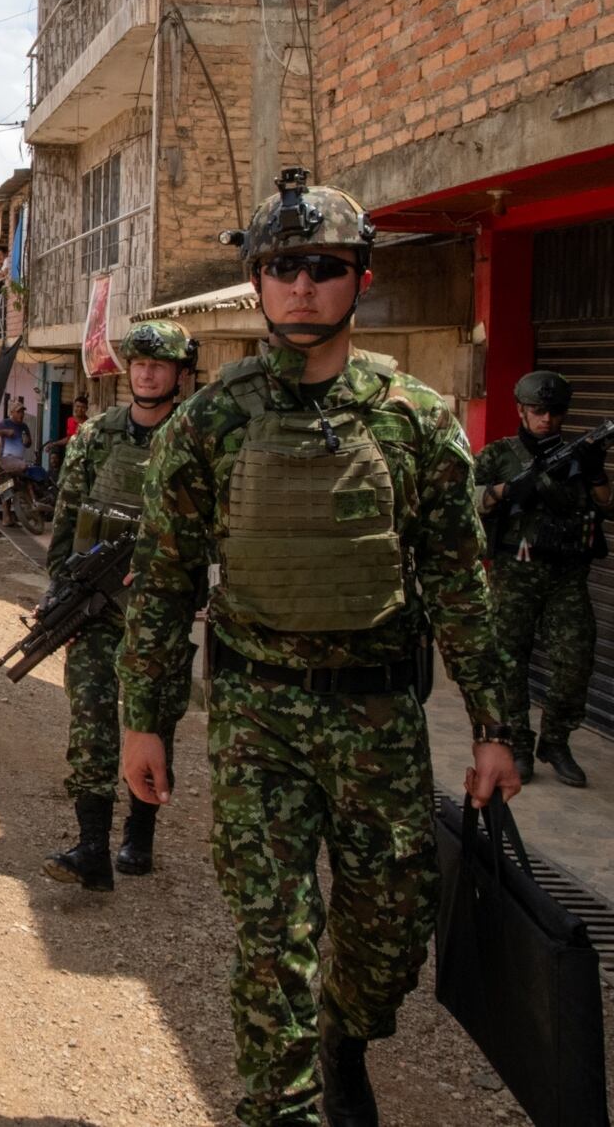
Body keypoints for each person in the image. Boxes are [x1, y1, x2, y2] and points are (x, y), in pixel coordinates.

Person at [119, 169, 517, 1127]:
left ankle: (347, 1035)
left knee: (388, 935)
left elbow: (462, 583)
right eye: (283, 267)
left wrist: (499, 727)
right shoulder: (211, 422)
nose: (302, 285)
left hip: (380, 716)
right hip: (259, 721)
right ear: (258, 281)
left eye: (325, 267)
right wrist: (146, 721)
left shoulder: (414, 419)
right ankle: (285, 1105)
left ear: (360, 278)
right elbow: (163, 588)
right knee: (273, 941)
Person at [41, 320, 196, 891]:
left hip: (161, 614)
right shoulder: (98, 436)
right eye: (139, 363)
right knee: (90, 719)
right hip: (97, 606)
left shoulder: (195, 439)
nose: (148, 372)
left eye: (159, 365)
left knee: (152, 719)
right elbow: (68, 518)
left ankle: (141, 833)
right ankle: (90, 845)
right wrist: (59, 592)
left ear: (180, 373)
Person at [473, 369, 612, 788]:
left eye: (555, 411)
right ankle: (517, 744)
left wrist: (595, 474)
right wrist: (503, 492)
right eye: (538, 410)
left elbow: (607, 506)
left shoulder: (578, 455)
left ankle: (555, 740)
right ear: (521, 409)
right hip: (515, 575)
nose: (546, 419)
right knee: (509, 664)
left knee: (575, 661)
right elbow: (465, 500)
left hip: (566, 575)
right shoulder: (500, 454)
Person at [0, 398, 33, 526]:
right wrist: (5, 432)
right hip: (6, 459)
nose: (21, 414)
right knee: (21, 469)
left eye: (22, 412)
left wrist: (27, 441)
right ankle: (7, 516)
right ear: (12, 412)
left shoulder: (24, 426)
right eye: (19, 412)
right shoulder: (6, 423)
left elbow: (29, 443)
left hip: (17, 460)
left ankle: (9, 517)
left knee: (7, 485)